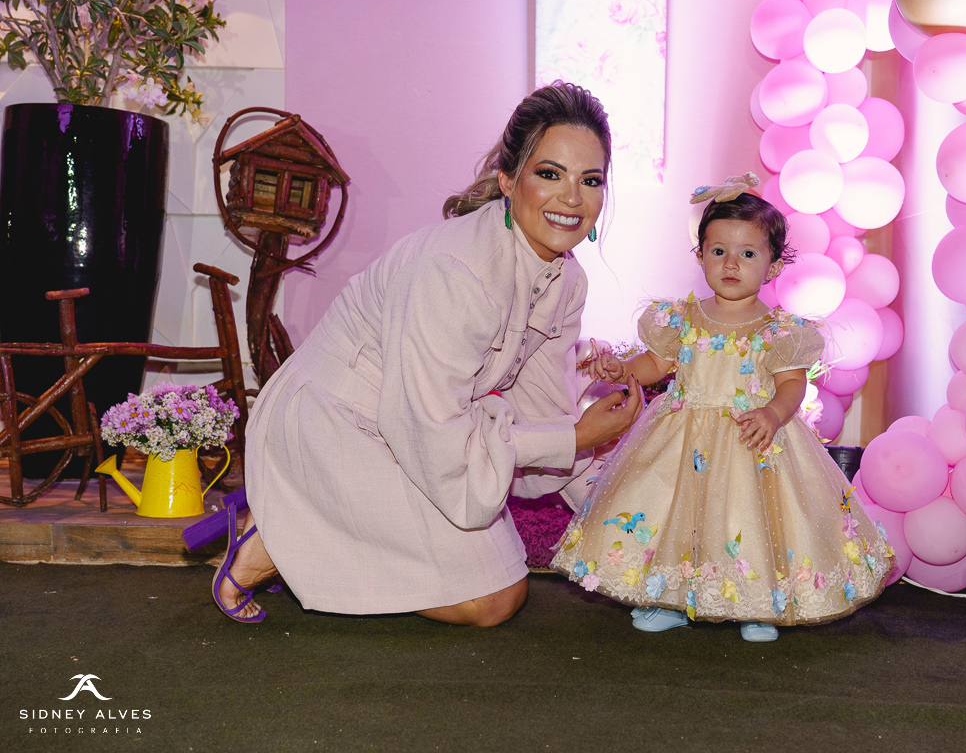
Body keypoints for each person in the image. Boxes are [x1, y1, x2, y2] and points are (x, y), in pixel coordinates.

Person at [201, 82, 644, 626]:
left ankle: (305, 526)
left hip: (423, 427)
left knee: (501, 594)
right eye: (550, 174)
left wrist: (619, 511)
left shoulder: (568, 282)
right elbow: (434, 429)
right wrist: (575, 439)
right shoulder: (456, 271)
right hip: (336, 422)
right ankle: (279, 534)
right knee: (491, 602)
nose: (572, 198)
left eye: (590, 180)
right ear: (508, 180)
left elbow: (544, 408)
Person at [550, 177, 892, 642]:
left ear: (773, 265)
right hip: (682, 437)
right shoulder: (682, 318)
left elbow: (792, 385)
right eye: (718, 251)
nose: (731, 263)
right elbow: (655, 364)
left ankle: (759, 602)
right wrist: (621, 369)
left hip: (752, 437)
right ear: (700, 256)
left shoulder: (778, 330)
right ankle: (667, 595)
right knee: (674, 516)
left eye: (748, 253)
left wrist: (773, 414)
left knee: (747, 520)